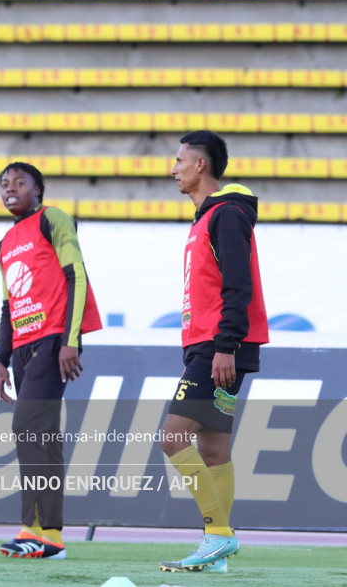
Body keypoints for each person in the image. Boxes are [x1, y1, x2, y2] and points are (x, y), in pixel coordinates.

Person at [158, 131, 268, 573]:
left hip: (219, 347)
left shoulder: (225, 214)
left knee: (172, 437)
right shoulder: (209, 218)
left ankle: (218, 536)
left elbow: (238, 284)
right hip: (210, 345)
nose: (174, 168)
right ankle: (217, 551)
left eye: (180, 160)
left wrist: (225, 346)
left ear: (200, 165)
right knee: (214, 447)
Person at [0, 162, 102, 560]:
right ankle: (50, 536)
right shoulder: (5, 242)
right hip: (22, 349)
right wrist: (1, 358)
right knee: (42, 439)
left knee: (25, 426)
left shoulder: (52, 219)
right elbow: (8, 306)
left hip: (52, 340)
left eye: (19, 182)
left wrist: (70, 340)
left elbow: (77, 274)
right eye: (4, 184)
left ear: (38, 189)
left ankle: (31, 527)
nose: (10, 189)